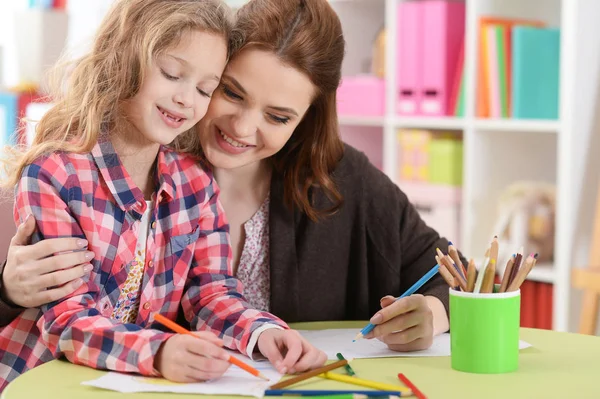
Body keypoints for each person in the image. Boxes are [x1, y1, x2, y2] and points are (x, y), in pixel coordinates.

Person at [0, 0, 458, 356]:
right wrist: (7, 290)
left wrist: (435, 313)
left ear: (305, 121)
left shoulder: (340, 178)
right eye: (230, 92)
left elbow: (465, 277)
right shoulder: (113, 162)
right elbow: (59, 314)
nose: (241, 127)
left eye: (278, 117)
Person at [0, 0, 326, 391]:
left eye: (206, 89)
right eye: (173, 75)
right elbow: (66, 321)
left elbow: (210, 293)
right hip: (40, 382)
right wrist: (157, 352)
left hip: (130, 383)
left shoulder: (197, 184)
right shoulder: (56, 175)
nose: (187, 100)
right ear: (125, 59)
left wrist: (262, 333)